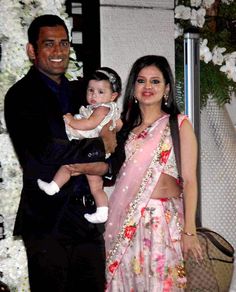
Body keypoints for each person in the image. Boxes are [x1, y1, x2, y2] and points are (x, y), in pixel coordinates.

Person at [4, 14, 116, 292]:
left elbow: (118, 142)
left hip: (87, 220)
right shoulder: (20, 96)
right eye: (49, 44)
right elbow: (45, 153)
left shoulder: (85, 92)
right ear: (32, 50)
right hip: (46, 221)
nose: (58, 51)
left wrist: (106, 167)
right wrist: (100, 148)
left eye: (64, 43)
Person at [104, 55, 203, 291]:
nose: (148, 87)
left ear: (167, 88)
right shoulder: (123, 130)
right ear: (133, 88)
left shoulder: (178, 125)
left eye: (155, 81)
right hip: (128, 225)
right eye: (141, 81)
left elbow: (189, 181)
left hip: (163, 225)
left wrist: (190, 229)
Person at [37, 67, 122, 224]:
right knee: (96, 185)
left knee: (68, 165)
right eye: (91, 90)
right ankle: (102, 211)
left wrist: (72, 121)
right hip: (96, 151)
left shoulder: (103, 108)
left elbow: (89, 124)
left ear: (114, 96)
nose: (94, 95)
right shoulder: (106, 109)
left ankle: (54, 186)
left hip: (90, 146)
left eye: (100, 92)